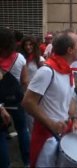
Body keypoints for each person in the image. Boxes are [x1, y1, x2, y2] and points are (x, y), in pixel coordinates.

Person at [21, 30, 77, 167]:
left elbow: (70, 98)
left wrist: (74, 119)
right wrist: (51, 124)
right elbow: (28, 102)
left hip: (61, 132)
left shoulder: (67, 71)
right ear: (70, 50)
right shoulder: (46, 71)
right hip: (46, 137)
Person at [0, 27, 30, 168]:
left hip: (0, 105)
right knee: (22, 129)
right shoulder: (20, 58)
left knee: (1, 136)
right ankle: (27, 162)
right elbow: (24, 81)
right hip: (16, 101)